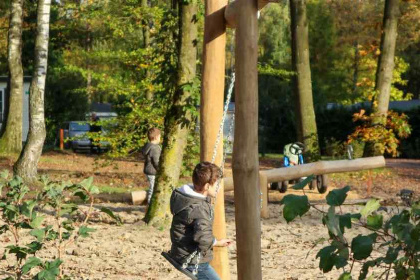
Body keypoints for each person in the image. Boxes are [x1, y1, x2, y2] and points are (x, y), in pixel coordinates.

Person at [169, 162, 233, 280]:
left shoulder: (185, 198)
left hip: (179, 251)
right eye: (217, 185)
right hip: (192, 259)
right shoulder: (200, 208)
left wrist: (216, 242)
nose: (219, 188)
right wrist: (214, 242)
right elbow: (203, 238)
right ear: (207, 186)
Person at [142, 127, 162, 204]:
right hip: (153, 171)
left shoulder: (148, 146)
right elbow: (156, 161)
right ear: (156, 137)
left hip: (148, 170)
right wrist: (160, 170)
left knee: (152, 187)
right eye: (160, 136)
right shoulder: (155, 148)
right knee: (152, 188)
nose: (160, 138)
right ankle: (150, 204)